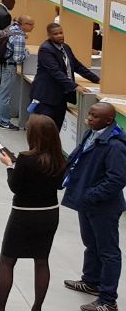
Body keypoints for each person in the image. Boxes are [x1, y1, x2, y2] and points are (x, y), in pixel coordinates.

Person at [0, 114, 65, 311]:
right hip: (49, 214)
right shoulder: (59, 159)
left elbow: (15, 187)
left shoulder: (25, 158)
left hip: (23, 215)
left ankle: (0, 308)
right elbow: (59, 185)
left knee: (7, 260)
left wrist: (10, 166)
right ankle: (37, 307)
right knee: (41, 260)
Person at [62, 102, 126, 311]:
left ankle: (108, 300)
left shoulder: (115, 145)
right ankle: (91, 281)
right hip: (87, 201)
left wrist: (91, 195)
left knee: (108, 252)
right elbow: (77, 159)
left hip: (103, 206)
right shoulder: (92, 134)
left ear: (109, 120)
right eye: (89, 114)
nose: (89, 119)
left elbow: (116, 180)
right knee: (91, 244)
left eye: (94, 116)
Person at [31, 23, 100, 130]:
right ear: (49, 35)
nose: (59, 36)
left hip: (61, 97)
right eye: (55, 34)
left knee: (55, 130)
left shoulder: (65, 48)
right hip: (46, 97)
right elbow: (56, 72)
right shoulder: (46, 49)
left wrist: (98, 80)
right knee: (44, 131)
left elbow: (77, 66)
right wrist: (75, 86)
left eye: (61, 33)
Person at [0, 15, 33, 130]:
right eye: (30, 24)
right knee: (5, 95)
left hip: (0, 64)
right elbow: (18, 58)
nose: (33, 27)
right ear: (23, 24)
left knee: (2, 92)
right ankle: (4, 121)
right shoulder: (20, 37)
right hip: (9, 67)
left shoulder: (10, 28)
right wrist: (26, 53)